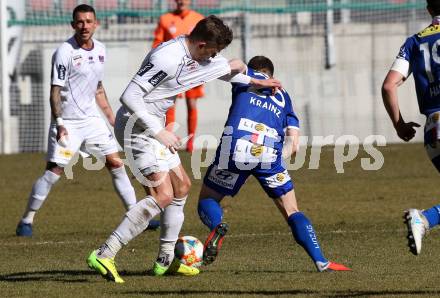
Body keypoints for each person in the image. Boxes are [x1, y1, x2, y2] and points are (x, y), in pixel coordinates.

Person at [86, 15, 282, 283]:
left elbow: (221, 70)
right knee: (162, 194)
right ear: (201, 45)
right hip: (136, 128)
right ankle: (105, 253)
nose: (213, 57)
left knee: (182, 187)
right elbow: (129, 95)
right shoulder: (166, 57)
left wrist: (255, 82)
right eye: (212, 52)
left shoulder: (197, 56)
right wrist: (159, 131)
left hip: (154, 129)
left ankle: (165, 261)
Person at [198, 56, 351, 272]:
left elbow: (229, 68)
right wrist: (276, 158)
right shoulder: (284, 96)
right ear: (272, 73)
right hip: (270, 153)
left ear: (256, 70)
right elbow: (294, 144)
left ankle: (217, 227)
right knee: (292, 210)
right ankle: (321, 261)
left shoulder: (247, 75)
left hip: (236, 145)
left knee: (207, 199)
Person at [15, 4, 137, 237]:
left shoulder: (101, 49)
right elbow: (54, 91)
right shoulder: (64, 52)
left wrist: (111, 117)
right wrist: (59, 123)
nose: (84, 26)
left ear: (96, 24)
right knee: (53, 172)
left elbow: (98, 87)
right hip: (68, 122)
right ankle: (26, 220)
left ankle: (135, 214)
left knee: (116, 164)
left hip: (92, 120)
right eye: (80, 22)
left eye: (89, 21)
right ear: (73, 25)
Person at [382, 0, 440, 256]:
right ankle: (424, 219)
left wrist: (399, 124)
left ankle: (425, 220)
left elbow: (388, 86)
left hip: (432, 130)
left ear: (429, 9)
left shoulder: (414, 42)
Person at [152, 0, 205, 153]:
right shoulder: (165, 19)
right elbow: (157, 43)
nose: (182, 1)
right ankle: (170, 139)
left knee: (192, 104)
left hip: (193, 69)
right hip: (172, 70)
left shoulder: (199, 19)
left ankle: (190, 143)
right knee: (170, 105)